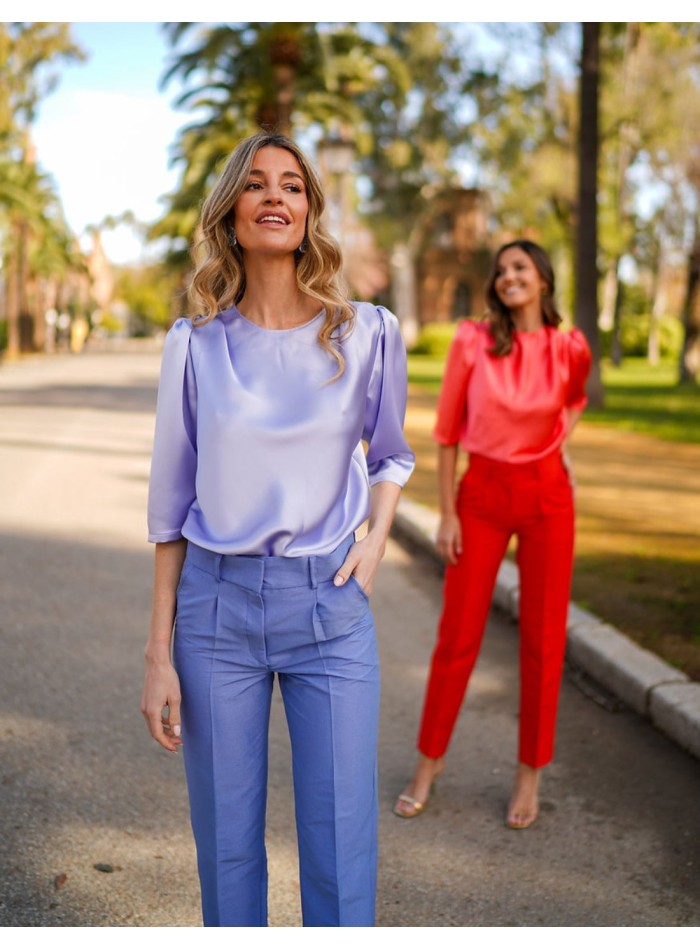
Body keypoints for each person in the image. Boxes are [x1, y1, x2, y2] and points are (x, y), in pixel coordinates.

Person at [141, 131, 414, 927]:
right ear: (231, 212)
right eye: (256, 184)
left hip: (329, 610)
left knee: (340, 847)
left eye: (292, 185)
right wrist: (159, 654)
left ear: (309, 212)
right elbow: (169, 511)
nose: (274, 196)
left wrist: (374, 539)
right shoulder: (194, 347)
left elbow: (393, 453)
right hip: (216, 613)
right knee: (225, 851)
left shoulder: (364, 333)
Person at [394, 239, 591, 829]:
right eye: (501, 270)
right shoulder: (471, 341)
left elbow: (575, 401)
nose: (508, 277)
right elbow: (448, 431)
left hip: (548, 498)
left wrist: (556, 448)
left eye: (520, 268)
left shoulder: (570, 347)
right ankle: (429, 764)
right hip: (481, 498)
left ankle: (529, 774)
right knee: (458, 636)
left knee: (543, 639)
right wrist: (449, 512)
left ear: (543, 279)